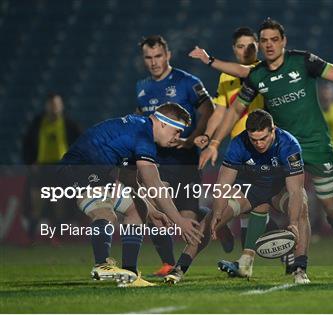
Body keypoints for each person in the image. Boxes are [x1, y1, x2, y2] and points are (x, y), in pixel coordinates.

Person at [190, 18, 333, 275]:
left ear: (284, 41)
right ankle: (251, 263)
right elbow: (234, 111)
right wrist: (216, 142)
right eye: (264, 40)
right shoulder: (258, 75)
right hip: (280, 149)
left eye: (274, 39)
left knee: (331, 205)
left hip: (316, 145)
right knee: (261, 200)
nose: (269, 45)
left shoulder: (304, 61)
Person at [58, 103, 203, 287]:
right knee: (105, 213)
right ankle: (102, 265)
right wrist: (179, 221)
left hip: (99, 170)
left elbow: (129, 178)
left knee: (138, 209)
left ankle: (129, 274)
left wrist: (150, 210)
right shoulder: (144, 134)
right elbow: (153, 182)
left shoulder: (139, 128)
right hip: (79, 168)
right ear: (163, 124)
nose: (177, 137)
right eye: (176, 131)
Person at [135, 35, 224, 278]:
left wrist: (192, 139)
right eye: (148, 57)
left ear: (168, 55)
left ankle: (208, 218)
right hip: (155, 162)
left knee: (187, 222)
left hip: (184, 162)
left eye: (158, 56)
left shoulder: (186, 81)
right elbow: (141, 118)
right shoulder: (141, 87)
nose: (154, 62)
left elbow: (209, 109)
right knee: (154, 212)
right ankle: (168, 264)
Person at [196, 109, 311, 284]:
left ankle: (300, 269)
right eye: (254, 140)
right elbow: (222, 185)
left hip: (280, 189)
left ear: (273, 130)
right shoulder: (239, 142)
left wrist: (293, 223)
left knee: (301, 205)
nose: (258, 144)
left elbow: (295, 190)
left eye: (263, 138)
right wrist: (218, 211)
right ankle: (245, 263)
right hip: (253, 181)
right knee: (248, 210)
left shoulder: (289, 144)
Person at [194, 27, 280, 257]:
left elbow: (245, 72)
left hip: (264, 146)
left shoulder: (263, 69)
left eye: (251, 46)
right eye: (241, 46)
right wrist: (210, 138)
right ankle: (254, 256)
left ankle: (282, 246)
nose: (246, 50)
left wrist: (209, 60)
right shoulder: (225, 77)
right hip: (240, 148)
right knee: (246, 207)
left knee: (259, 203)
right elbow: (220, 111)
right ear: (234, 49)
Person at [22, 92, 81, 241]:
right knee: (37, 205)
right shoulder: (38, 123)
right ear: (47, 106)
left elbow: (81, 143)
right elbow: (27, 144)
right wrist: (30, 162)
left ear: (61, 106)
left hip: (59, 168)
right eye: (51, 104)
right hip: (42, 167)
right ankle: (30, 239)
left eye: (56, 104)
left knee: (59, 206)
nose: (54, 107)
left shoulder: (68, 124)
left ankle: (58, 240)